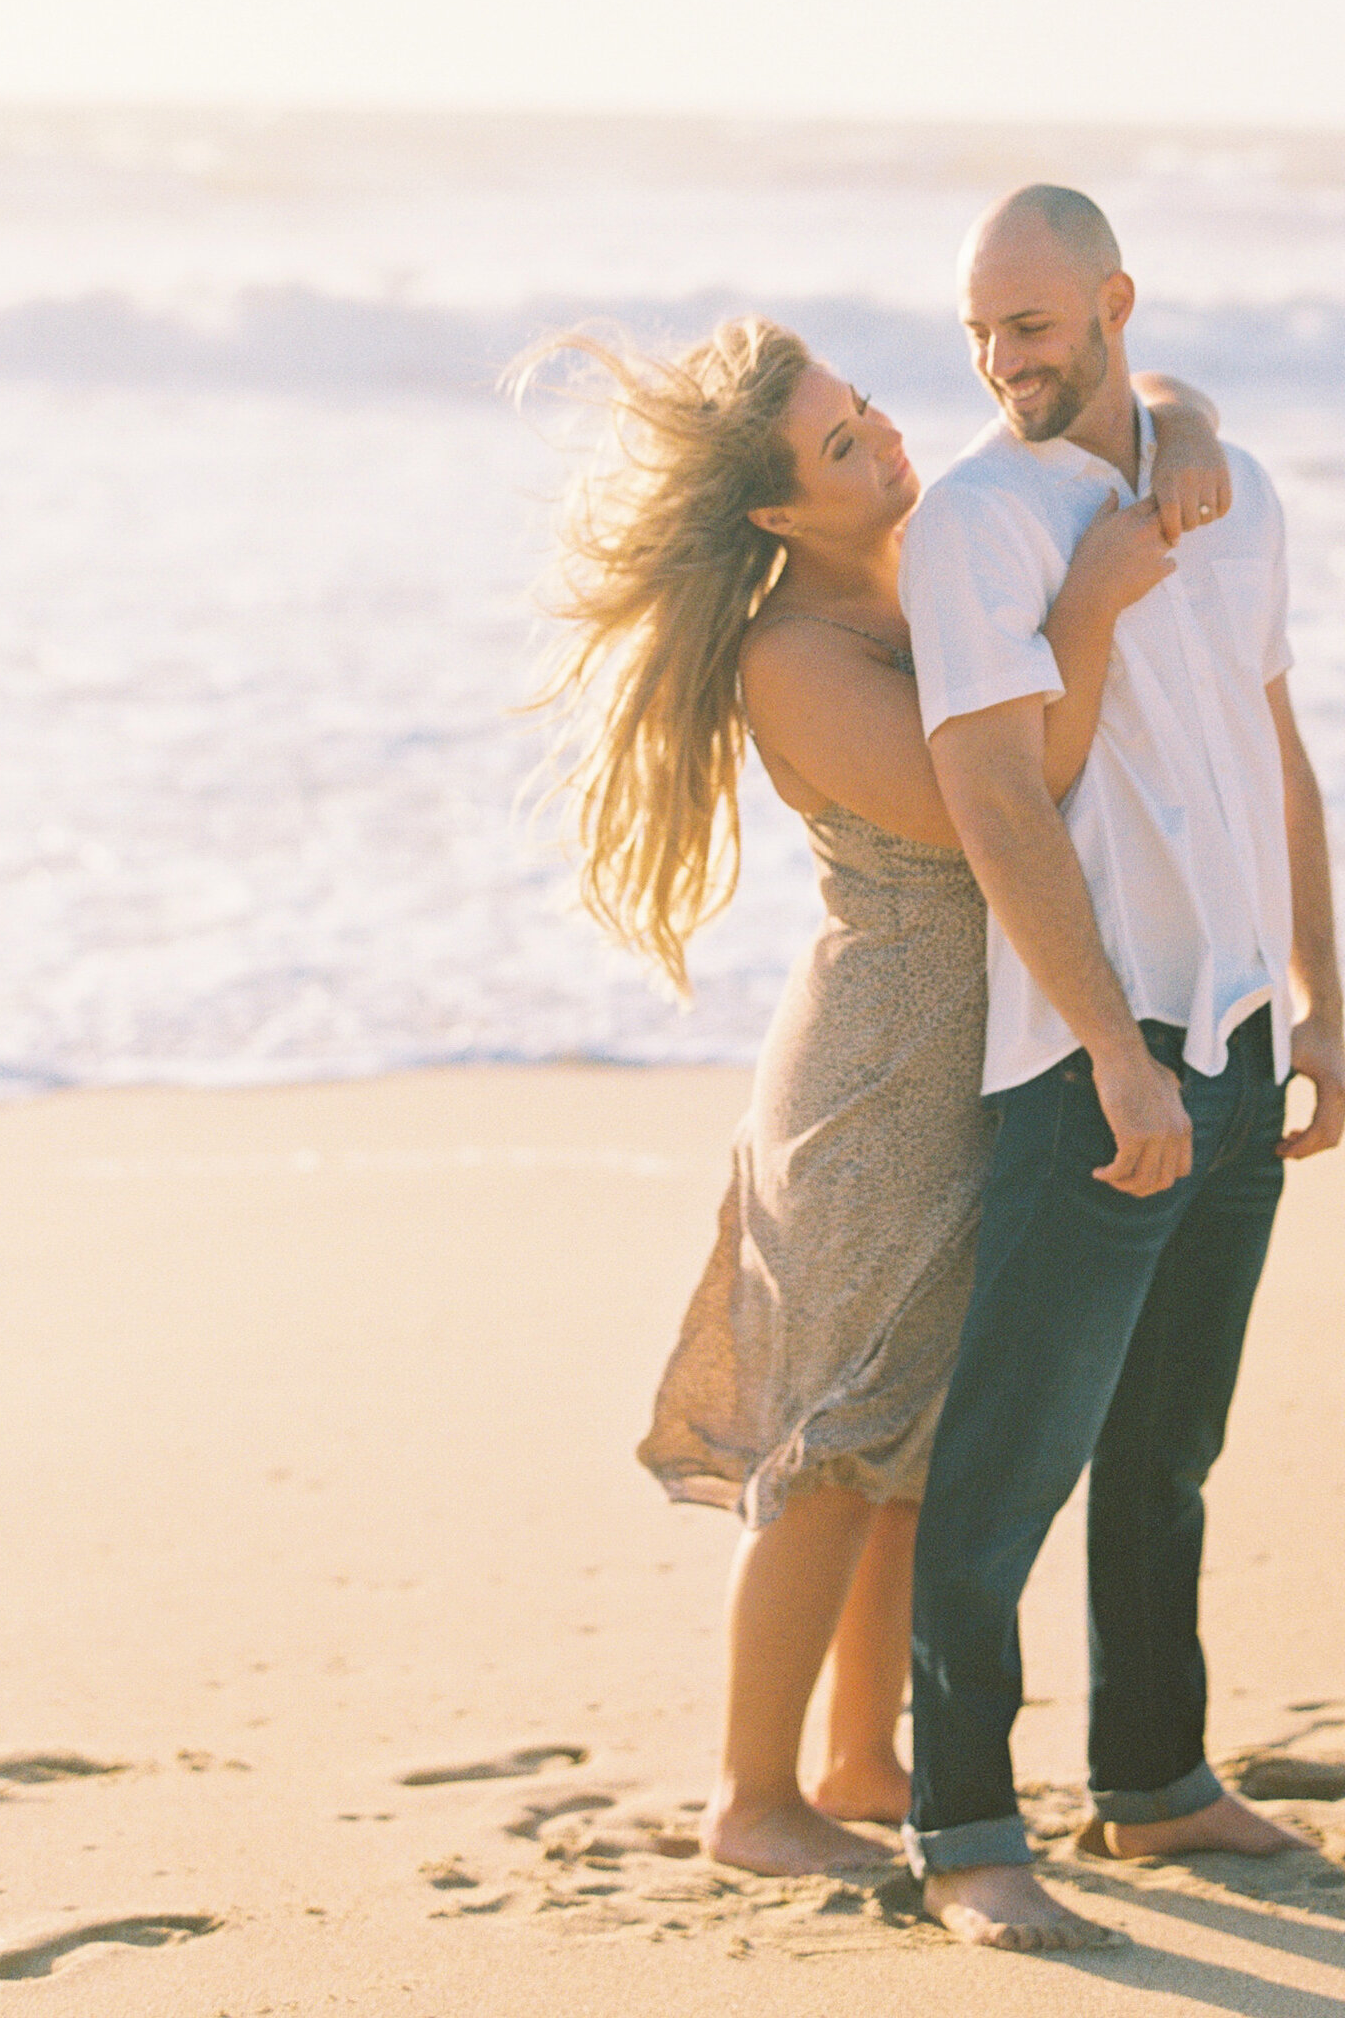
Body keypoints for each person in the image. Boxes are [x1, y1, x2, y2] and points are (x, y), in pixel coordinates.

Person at [521, 315, 1231, 1877]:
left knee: (920, 1436)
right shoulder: (794, 655)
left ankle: (860, 1757)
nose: (885, 441)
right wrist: (1096, 612)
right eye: (841, 447)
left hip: (983, 1045)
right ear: (777, 513)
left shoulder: (932, 555)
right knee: (835, 1448)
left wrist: (1178, 435)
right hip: (877, 1074)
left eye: (865, 412)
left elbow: (1145, 395)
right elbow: (1003, 807)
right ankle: (749, 1801)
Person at [894, 187, 1345, 1951]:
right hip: (1098, 1062)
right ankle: (967, 1832)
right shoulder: (979, 525)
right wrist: (1112, 1052)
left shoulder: (1226, 494)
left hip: (1239, 1040)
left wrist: (1324, 1007)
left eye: (1030, 323)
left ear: (1111, 306)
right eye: (978, 333)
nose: (1006, 360)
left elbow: (1281, 761)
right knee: (1010, 1469)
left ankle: (1155, 1785)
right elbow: (996, 804)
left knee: (1169, 1454)